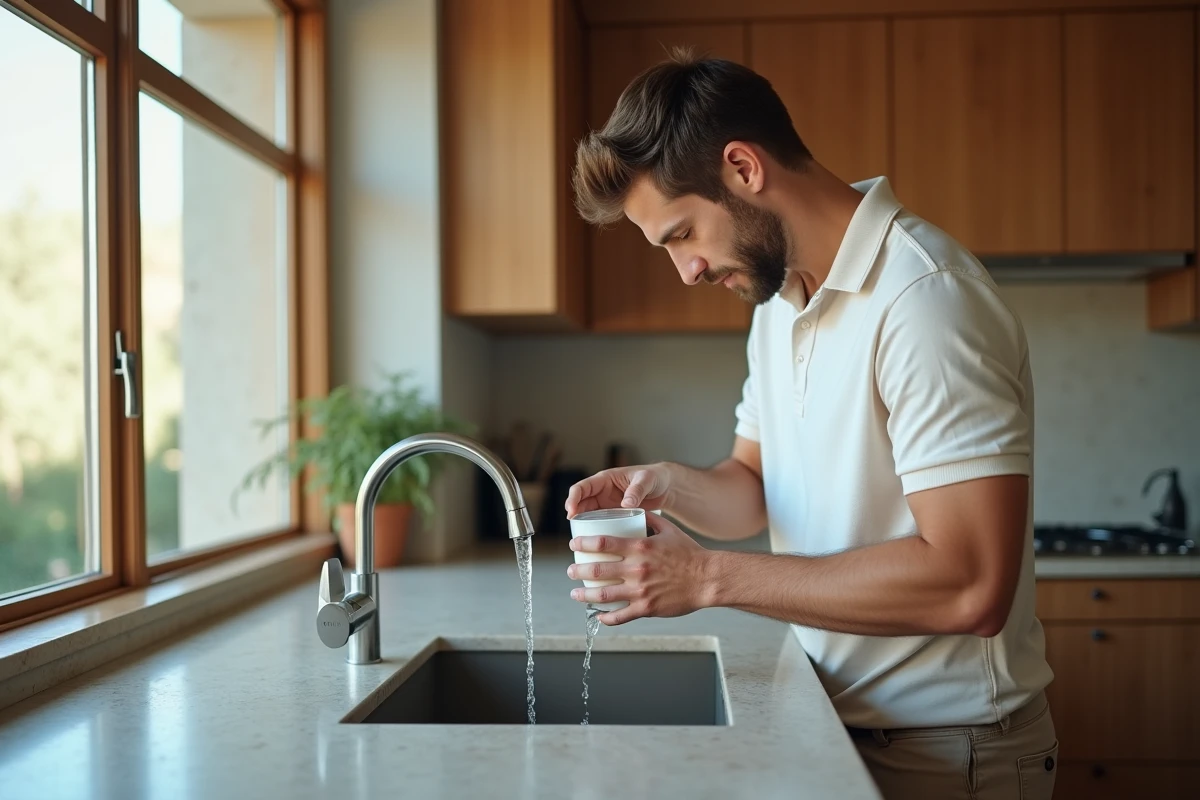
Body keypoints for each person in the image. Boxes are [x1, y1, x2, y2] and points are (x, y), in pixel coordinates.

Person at [564, 49, 1057, 800]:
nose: (687, 270)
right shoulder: (777, 304)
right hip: (833, 723)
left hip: (948, 753)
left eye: (681, 235)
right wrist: (666, 486)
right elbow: (753, 489)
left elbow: (972, 586)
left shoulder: (925, 299)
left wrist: (704, 577)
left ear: (742, 168)